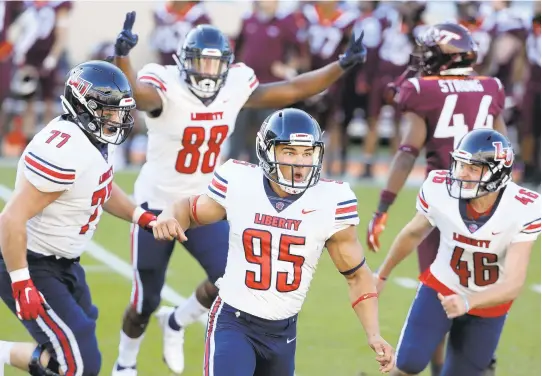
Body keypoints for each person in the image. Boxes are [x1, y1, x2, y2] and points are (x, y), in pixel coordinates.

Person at [111, 11, 369, 375]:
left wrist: (341, 66)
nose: (208, 72)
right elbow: (136, 94)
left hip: (208, 202)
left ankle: (177, 321)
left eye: (216, 64)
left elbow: (295, 89)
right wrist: (122, 57)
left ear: (228, 66)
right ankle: (125, 362)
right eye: (201, 62)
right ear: (184, 63)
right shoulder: (166, 87)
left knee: (228, 280)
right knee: (144, 300)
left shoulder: (234, 87)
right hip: (157, 204)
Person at [152, 108, 394, 376]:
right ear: (267, 151)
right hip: (234, 322)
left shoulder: (332, 201)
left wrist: (374, 334)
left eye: (307, 152)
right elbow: (189, 208)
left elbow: (357, 276)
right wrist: (169, 215)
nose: (300, 162)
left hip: (283, 334)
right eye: (289, 151)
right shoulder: (241, 182)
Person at [366, 23, 508, 375]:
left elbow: (406, 151)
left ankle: (448, 366)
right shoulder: (491, 87)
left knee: (438, 292)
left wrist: (383, 207)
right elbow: (505, 149)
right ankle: (478, 362)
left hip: (444, 202)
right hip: (488, 207)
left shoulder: (421, 89)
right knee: (481, 289)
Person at [0, 61, 157, 376]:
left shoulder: (90, 139)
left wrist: (142, 217)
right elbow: (10, 219)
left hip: (64, 263)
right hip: (31, 262)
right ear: (83, 106)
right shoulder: (66, 150)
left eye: (120, 111)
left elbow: (101, 184)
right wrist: (21, 283)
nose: (118, 119)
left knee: (68, 357)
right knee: (80, 364)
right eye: (110, 111)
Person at [374, 129, 540, 376]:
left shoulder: (522, 209)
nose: (462, 174)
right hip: (441, 286)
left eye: (473, 168)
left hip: (489, 304)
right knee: (408, 363)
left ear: (499, 173)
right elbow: (413, 233)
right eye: (461, 165)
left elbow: (513, 283)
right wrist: (382, 274)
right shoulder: (441, 189)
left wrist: (467, 302)